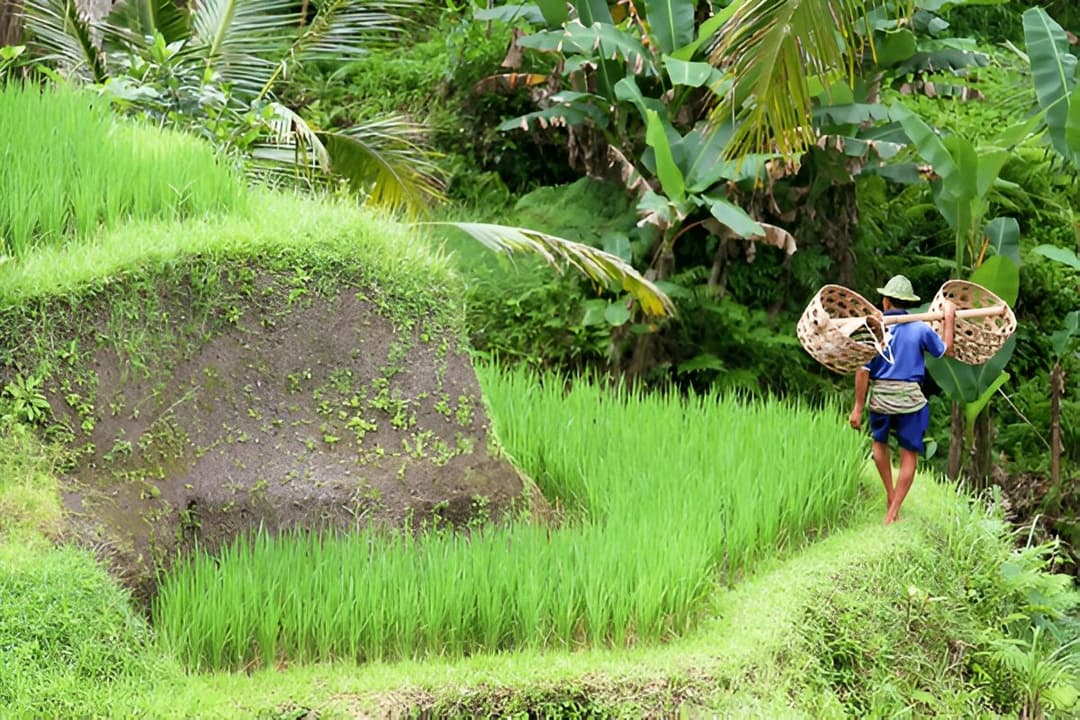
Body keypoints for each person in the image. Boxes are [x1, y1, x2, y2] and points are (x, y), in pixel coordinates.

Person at [848, 275, 956, 525]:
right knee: (909, 455)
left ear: (886, 302)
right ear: (907, 303)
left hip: (881, 399)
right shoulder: (920, 328)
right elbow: (947, 351)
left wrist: (857, 408)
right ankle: (894, 509)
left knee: (879, 443)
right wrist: (949, 318)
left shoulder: (875, 329)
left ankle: (889, 494)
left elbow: (862, 371)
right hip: (910, 401)